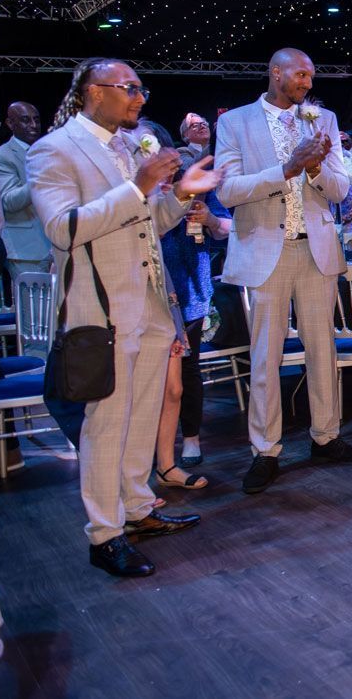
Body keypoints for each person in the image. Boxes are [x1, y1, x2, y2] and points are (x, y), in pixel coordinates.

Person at [31, 57, 223, 577]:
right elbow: (63, 229)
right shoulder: (54, 150)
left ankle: (138, 508)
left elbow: (149, 223)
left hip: (151, 303)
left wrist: (180, 193)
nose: (140, 98)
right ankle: (104, 534)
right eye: (130, 88)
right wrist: (138, 186)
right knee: (106, 423)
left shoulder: (126, 147)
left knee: (142, 413)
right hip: (104, 307)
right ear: (95, 92)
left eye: (141, 89)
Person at [216, 47, 352, 497]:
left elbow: (341, 190)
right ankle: (266, 451)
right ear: (276, 73)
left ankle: (326, 437)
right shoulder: (235, 123)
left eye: (311, 76)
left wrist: (316, 168)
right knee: (265, 355)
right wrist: (286, 169)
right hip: (265, 249)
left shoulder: (322, 121)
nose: (307, 83)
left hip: (316, 247)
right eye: (300, 75)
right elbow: (227, 192)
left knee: (323, 349)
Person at [144, 120, 232, 491]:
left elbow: (227, 226)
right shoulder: (135, 192)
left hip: (190, 285)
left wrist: (208, 219)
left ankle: (190, 439)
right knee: (150, 381)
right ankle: (149, 457)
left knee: (185, 374)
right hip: (150, 289)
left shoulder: (190, 185)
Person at [0, 101, 52, 279]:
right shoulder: (2, 156)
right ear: (10, 124)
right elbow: (8, 201)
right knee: (32, 299)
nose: (34, 125)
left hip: (58, 243)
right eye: (26, 120)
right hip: (27, 249)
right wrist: (41, 178)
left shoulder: (49, 149)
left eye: (37, 119)